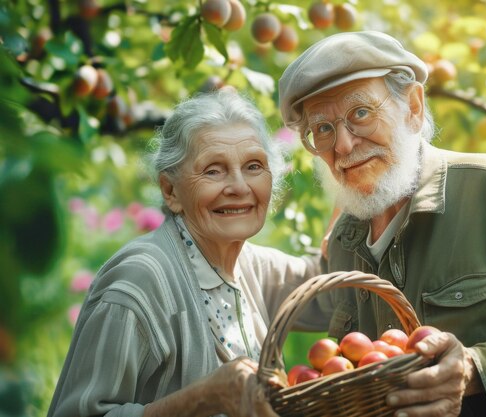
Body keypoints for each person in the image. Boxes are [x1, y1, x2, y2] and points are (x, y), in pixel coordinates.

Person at [278, 31, 486, 417]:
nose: (342, 145)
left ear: (412, 106)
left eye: (360, 113)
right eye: (322, 129)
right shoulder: (345, 239)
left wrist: (479, 368)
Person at [47, 90, 328, 417]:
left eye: (253, 166)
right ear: (170, 191)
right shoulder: (139, 282)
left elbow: (331, 285)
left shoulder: (250, 264)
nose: (239, 187)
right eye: (213, 170)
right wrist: (201, 399)